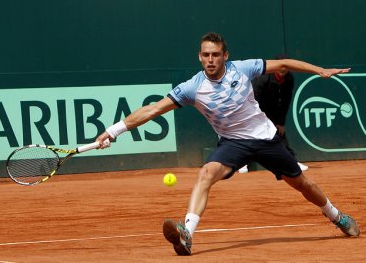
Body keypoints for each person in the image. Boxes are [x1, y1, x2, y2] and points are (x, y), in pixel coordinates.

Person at [95, 32, 360, 256]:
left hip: (266, 138)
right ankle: (187, 232)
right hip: (233, 144)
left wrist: (319, 70)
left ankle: (336, 216)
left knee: (302, 184)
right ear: (200, 57)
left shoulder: (243, 69)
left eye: (215, 55)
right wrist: (113, 131)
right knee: (205, 174)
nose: (210, 60)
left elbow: (284, 64)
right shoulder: (192, 88)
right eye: (206, 55)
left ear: (225, 56)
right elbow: (152, 110)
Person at [238, 54, 308, 174]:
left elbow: (286, 100)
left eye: (286, 68)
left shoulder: (289, 79)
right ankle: (243, 163)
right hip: (253, 107)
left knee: (279, 132)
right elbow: (254, 99)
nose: (283, 70)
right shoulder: (263, 78)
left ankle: (292, 162)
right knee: (250, 135)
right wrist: (257, 118)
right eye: (281, 67)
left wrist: (280, 122)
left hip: (273, 106)